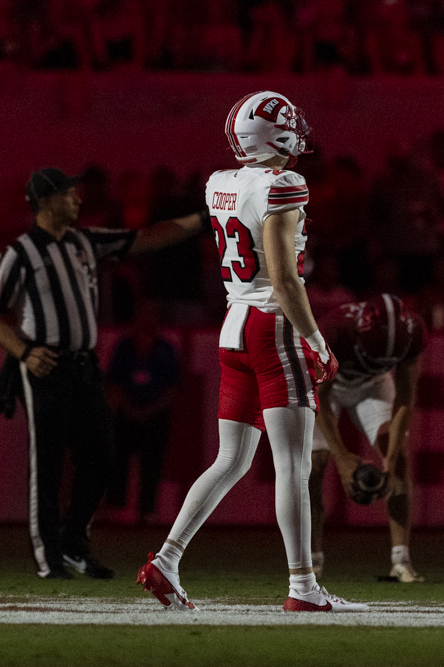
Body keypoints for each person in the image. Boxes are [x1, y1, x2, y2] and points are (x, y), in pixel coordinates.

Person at [138, 91, 367, 613]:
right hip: (273, 327)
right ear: (277, 135)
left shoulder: (220, 182)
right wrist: (316, 340)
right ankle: (303, 587)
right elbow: (286, 279)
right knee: (292, 462)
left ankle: (167, 561)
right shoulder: (284, 184)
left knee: (232, 458)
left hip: (233, 324)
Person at [0, 167, 204, 581]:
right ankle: (49, 555)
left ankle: (73, 544)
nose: (78, 201)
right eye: (69, 195)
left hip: (85, 367)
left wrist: (204, 217)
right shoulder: (20, 252)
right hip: (47, 366)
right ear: (46, 202)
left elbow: (148, 237)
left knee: (102, 455)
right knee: (47, 465)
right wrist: (25, 352)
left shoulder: (86, 241)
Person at [308, 294, 427, 583]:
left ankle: (401, 561)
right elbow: (318, 398)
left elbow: (405, 398)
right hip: (325, 387)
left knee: (399, 462)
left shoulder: (414, 331)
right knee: (312, 466)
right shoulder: (334, 329)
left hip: (372, 385)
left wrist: (390, 456)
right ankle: (311, 561)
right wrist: (343, 458)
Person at [105, 300, 180, 524]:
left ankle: (148, 512)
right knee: (118, 462)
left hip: (156, 416)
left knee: (152, 464)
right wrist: (128, 408)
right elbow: (114, 383)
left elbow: (172, 388)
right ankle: (116, 511)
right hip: (126, 414)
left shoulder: (165, 349)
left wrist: (151, 409)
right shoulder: (124, 347)